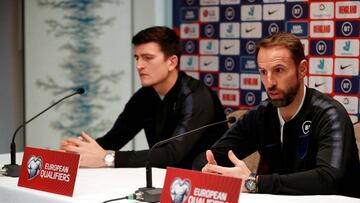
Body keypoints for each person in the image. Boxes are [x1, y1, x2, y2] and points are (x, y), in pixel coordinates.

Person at [196, 32, 360, 197]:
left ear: (302, 69)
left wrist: (255, 183)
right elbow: (212, 157)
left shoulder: (330, 115)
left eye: (279, 70)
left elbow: (328, 179)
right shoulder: (261, 115)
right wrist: (209, 169)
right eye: (263, 72)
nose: (270, 82)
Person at [60, 26, 227, 169]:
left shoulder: (197, 97)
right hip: (164, 179)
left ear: (172, 62)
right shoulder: (145, 95)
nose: (139, 65)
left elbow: (173, 155)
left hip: (207, 185)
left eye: (148, 58)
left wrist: (108, 158)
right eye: (137, 58)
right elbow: (114, 139)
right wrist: (78, 151)